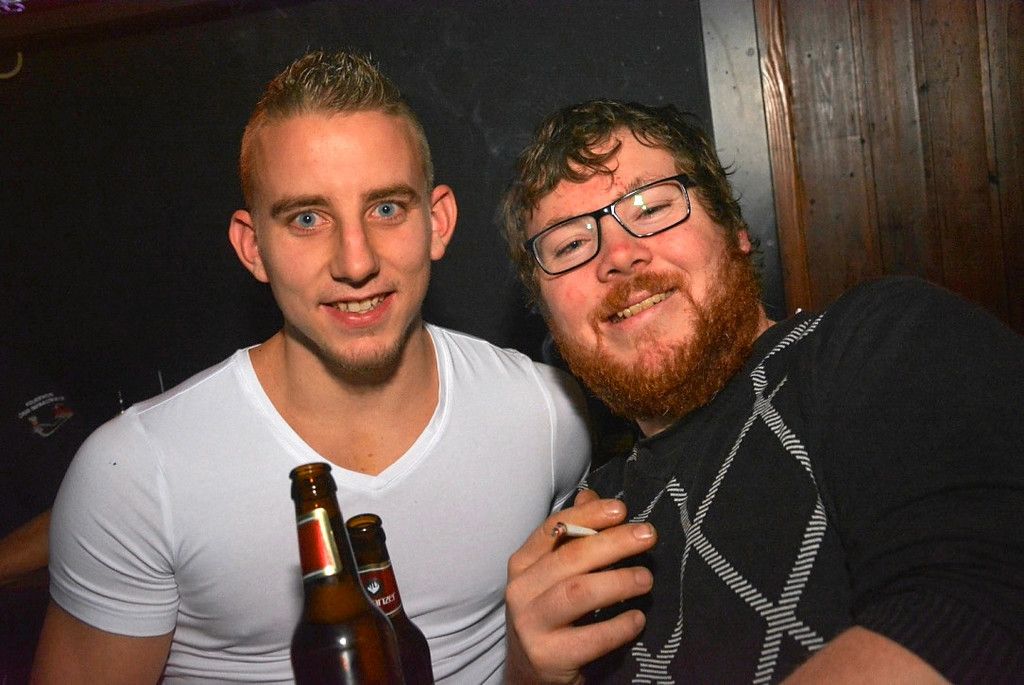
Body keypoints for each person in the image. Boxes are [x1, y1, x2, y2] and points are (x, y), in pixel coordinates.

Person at [32, 51, 591, 684]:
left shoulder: (546, 415)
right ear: (253, 247)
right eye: (307, 219)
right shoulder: (137, 475)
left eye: (386, 209)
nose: (356, 262)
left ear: (437, 223)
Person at [499, 99, 1024, 683]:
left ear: (735, 231)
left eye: (652, 207)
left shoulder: (878, 343)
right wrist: (526, 673)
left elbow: (981, 605)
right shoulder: (587, 522)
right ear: (550, 317)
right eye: (570, 245)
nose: (619, 255)